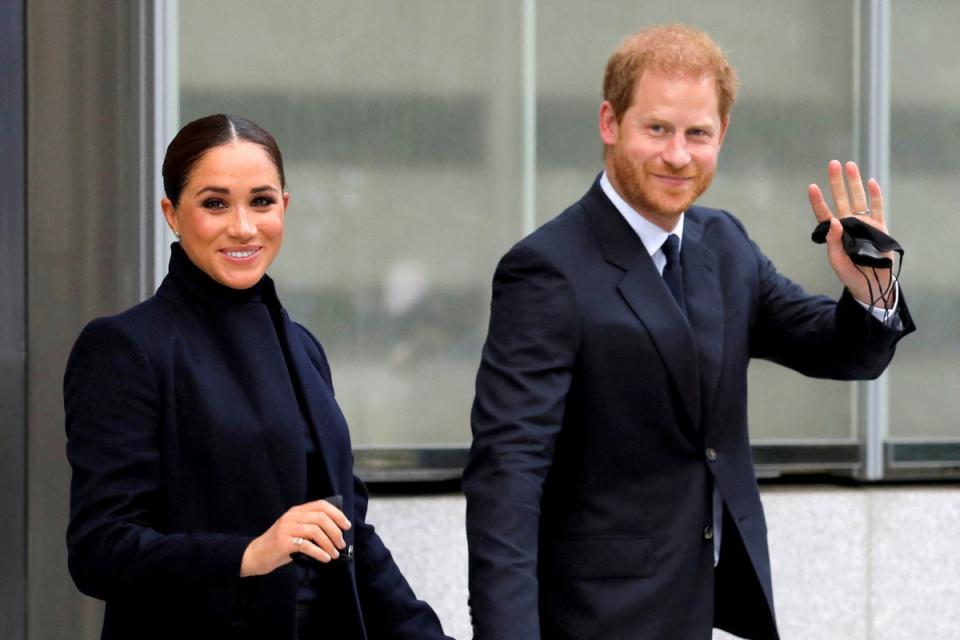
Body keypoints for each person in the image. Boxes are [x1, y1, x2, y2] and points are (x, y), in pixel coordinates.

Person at [463, 24, 915, 640]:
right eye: (657, 129)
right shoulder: (547, 268)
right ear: (609, 121)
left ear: (721, 134)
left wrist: (871, 289)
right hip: (594, 619)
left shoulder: (723, 243)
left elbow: (838, 351)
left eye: (697, 133)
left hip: (702, 608)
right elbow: (507, 475)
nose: (678, 154)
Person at [64, 114, 452, 640]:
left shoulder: (304, 349)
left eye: (262, 201)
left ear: (284, 208)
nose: (243, 226)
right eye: (215, 203)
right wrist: (249, 553)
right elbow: (100, 550)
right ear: (172, 214)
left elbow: (349, 533)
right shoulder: (126, 348)